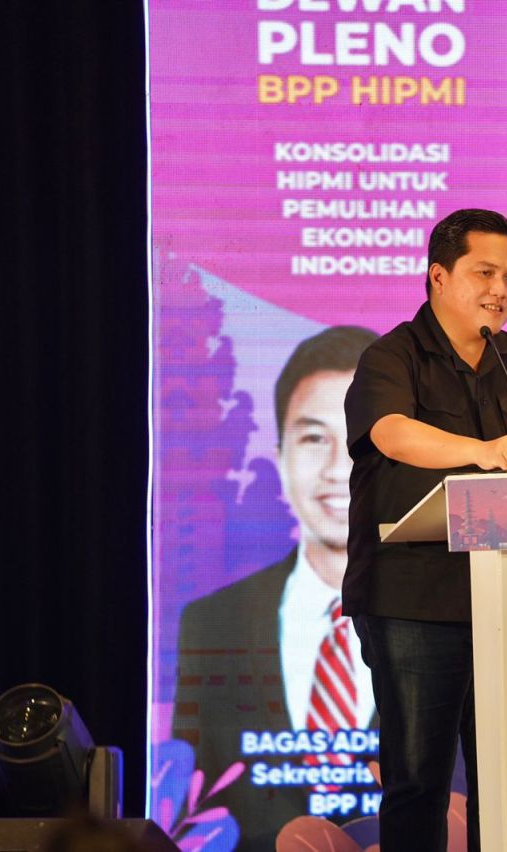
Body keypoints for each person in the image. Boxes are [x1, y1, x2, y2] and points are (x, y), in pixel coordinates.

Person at [343, 208, 507, 851]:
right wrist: (482, 453)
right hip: (413, 599)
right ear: (439, 276)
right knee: (418, 779)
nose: (499, 290)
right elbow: (391, 434)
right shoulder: (391, 356)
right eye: (484, 273)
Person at [173, 325, 379, 851]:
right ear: (280, 455)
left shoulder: (447, 617)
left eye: (360, 441)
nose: (337, 469)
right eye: (314, 439)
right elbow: (192, 810)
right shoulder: (211, 624)